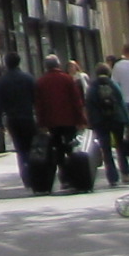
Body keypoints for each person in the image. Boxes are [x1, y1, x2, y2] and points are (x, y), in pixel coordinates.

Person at [34, 54, 87, 183]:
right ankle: (73, 174)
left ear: (45, 67)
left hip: (51, 121)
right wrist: (81, 119)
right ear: (58, 65)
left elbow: (39, 105)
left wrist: (41, 123)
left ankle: (63, 175)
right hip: (69, 120)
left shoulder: (41, 82)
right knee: (71, 146)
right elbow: (76, 101)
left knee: (58, 148)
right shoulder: (67, 79)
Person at [0, 51, 40, 179]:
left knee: (20, 148)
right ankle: (34, 173)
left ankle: (25, 174)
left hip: (12, 119)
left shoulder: (1, 82)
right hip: (28, 117)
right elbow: (37, 99)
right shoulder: (28, 78)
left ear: (6, 64)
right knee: (31, 146)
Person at [88, 63, 129, 186]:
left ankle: (112, 177)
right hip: (117, 119)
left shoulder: (92, 87)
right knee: (120, 146)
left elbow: (90, 106)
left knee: (106, 150)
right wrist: (128, 122)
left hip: (100, 121)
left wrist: (91, 123)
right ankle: (126, 173)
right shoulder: (113, 84)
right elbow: (121, 102)